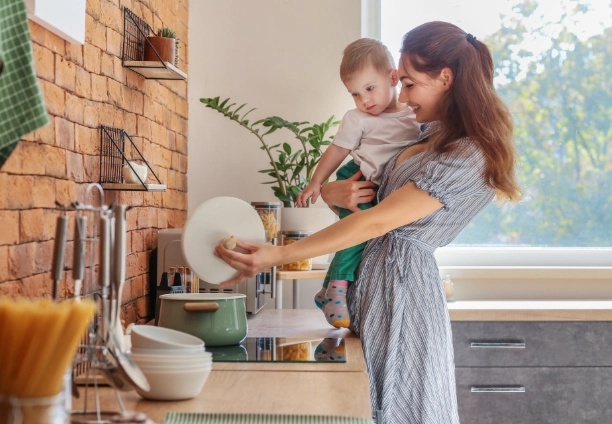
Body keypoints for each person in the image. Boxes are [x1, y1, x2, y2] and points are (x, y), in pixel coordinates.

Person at [217, 21, 521, 423]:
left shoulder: (468, 155)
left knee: (399, 406)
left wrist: (281, 254)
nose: (403, 94)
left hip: (403, 297)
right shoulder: (425, 136)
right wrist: (329, 192)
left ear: (445, 78)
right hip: (374, 287)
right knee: (369, 404)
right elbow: (366, 197)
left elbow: (377, 223)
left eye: (409, 83)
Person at [296, 38, 420, 329]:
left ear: (392, 77)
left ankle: (326, 291)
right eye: (355, 94)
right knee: (357, 234)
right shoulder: (359, 118)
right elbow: (337, 150)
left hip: (379, 183)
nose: (365, 100)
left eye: (369, 88)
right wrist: (317, 182)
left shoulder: (413, 112)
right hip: (357, 176)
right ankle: (338, 289)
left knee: (364, 233)